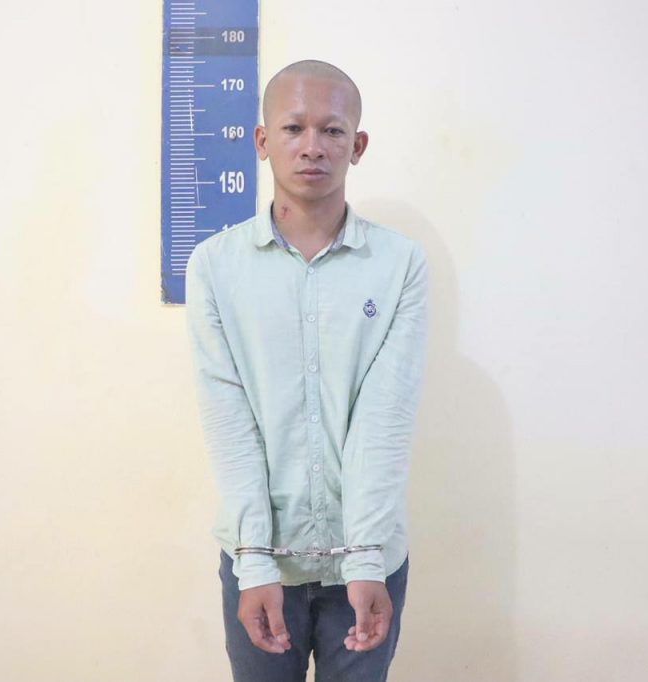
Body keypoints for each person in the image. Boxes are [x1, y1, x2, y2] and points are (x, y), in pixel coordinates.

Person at [185, 59, 429, 682]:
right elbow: (228, 418)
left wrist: (366, 556)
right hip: (261, 561)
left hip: (367, 561)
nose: (313, 146)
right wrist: (255, 560)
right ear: (262, 140)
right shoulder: (215, 266)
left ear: (358, 145)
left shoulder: (399, 265)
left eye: (333, 130)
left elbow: (386, 416)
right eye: (294, 128)